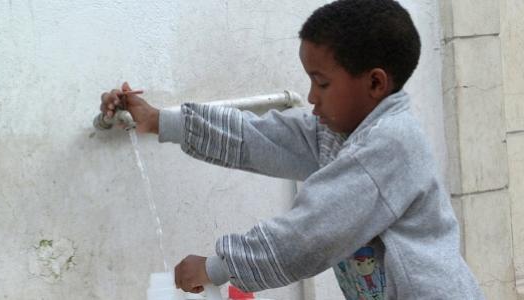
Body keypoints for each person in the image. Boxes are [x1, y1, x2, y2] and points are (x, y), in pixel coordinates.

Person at [100, 0, 484, 298]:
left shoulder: (390, 145)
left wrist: (216, 267)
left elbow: (310, 234)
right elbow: (255, 138)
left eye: (322, 83)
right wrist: (158, 121)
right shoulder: (339, 133)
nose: (311, 97)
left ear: (375, 84)